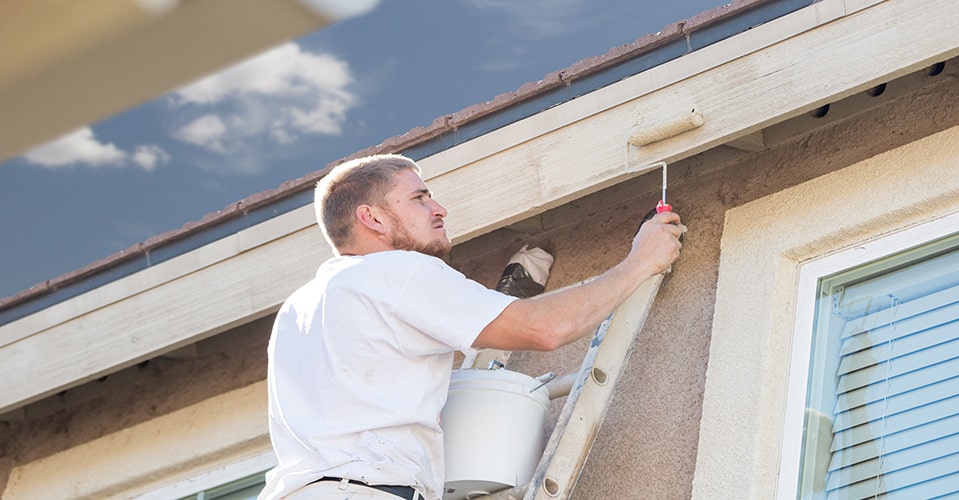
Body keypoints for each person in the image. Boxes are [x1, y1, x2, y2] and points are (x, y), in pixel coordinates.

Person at [260, 154, 685, 500]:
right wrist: (641, 261)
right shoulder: (398, 271)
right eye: (419, 198)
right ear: (373, 218)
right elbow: (546, 329)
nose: (439, 208)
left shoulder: (301, 307)